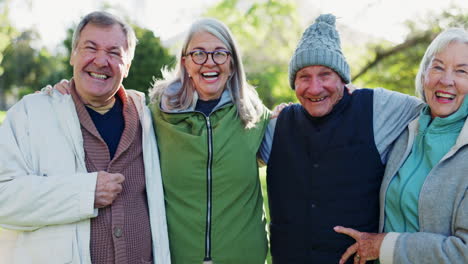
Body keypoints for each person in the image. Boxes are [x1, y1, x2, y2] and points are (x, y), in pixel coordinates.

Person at [0, 11, 170, 264]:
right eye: (90, 48)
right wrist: (85, 192)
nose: (101, 61)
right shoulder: (30, 114)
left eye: (114, 53)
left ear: (128, 65)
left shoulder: (150, 120)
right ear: (73, 55)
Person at [259, 14, 424, 264]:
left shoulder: (375, 108)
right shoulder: (277, 124)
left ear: (342, 77)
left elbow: (433, 107)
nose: (314, 88)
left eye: (325, 74)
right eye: (304, 77)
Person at [334, 27, 468, 264]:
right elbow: (364, 99)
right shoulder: (407, 125)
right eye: (437, 66)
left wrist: (384, 246)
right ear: (424, 73)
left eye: (462, 71)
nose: (446, 80)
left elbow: (464, 252)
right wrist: (289, 113)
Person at [148, 18, 271, 264]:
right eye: (199, 54)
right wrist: (67, 91)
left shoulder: (259, 119)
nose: (210, 62)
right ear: (185, 62)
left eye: (219, 53)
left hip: (244, 257)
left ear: (232, 63)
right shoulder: (153, 117)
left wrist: (347, 99)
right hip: (176, 257)